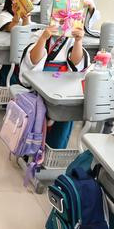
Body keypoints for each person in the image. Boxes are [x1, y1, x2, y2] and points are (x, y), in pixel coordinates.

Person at [20, 21, 89, 149]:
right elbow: (32, 61)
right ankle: (32, 148)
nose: (63, 22)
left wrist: (78, 41)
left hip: (63, 88)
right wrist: (43, 38)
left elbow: (76, 66)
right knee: (38, 111)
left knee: (67, 111)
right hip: (39, 86)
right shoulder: (39, 34)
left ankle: (55, 149)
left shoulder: (71, 37)